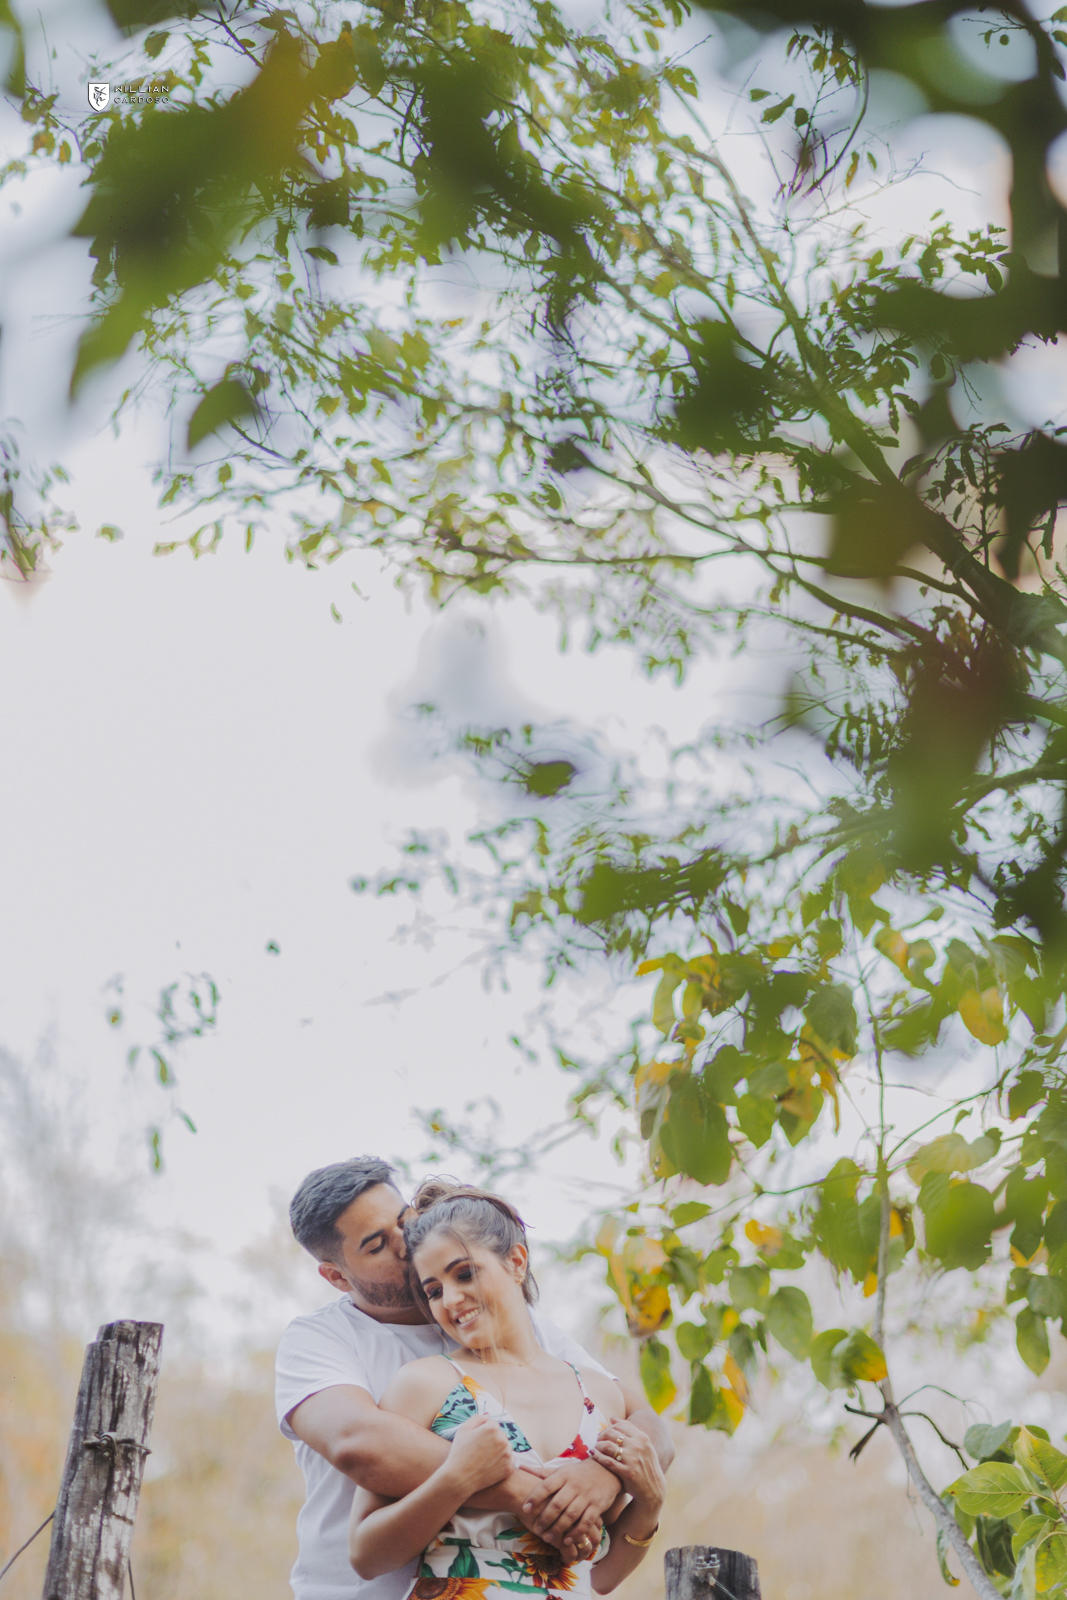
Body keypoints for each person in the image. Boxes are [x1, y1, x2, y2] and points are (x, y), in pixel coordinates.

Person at [276, 1157, 673, 1600]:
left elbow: (643, 1423)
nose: (404, 1244)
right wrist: (526, 1492)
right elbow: (359, 1443)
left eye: (404, 1222)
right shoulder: (322, 1339)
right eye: (376, 1245)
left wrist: (604, 1479)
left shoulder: (519, 1326)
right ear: (336, 1276)